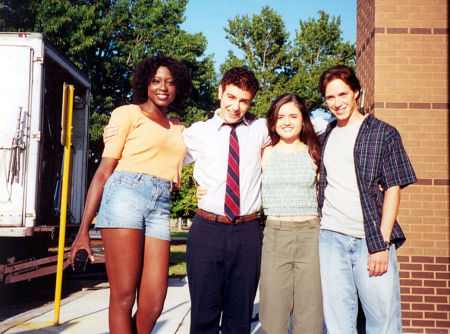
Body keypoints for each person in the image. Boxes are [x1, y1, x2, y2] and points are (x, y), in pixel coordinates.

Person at [70, 55, 192, 334]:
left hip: (160, 205)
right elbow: (103, 171)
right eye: (156, 80)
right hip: (125, 195)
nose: (164, 87)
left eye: (171, 82)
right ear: (145, 83)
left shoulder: (178, 127)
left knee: (154, 302)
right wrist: (83, 230)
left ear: (178, 88)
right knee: (124, 295)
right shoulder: (126, 114)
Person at [317, 65, 416, 333]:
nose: (337, 103)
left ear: (357, 93)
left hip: (370, 239)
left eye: (343, 94)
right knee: (338, 323)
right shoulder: (326, 135)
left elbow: (393, 188)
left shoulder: (384, 133)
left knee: (382, 321)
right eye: (330, 98)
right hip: (331, 238)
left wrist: (381, 244)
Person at [182, 67, 270, 333]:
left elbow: (307, 125)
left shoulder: (261, 128)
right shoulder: (197, 132)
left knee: (239, 316)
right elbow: (165, 158)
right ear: (220, 91)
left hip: (248, 231)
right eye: (231, 97)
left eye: (244, 101)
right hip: (207, 229)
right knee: (203, 315)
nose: (235, 106)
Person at [259, 93, 323, 333]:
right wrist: (198, 182)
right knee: (273, 315)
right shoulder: (265, 153)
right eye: (280, 116)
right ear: (273, 121)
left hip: (310, 235)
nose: (287, 121)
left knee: (310, 313)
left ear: (303, 119)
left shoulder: (314, 152)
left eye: (293, 116)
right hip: (275, 235)